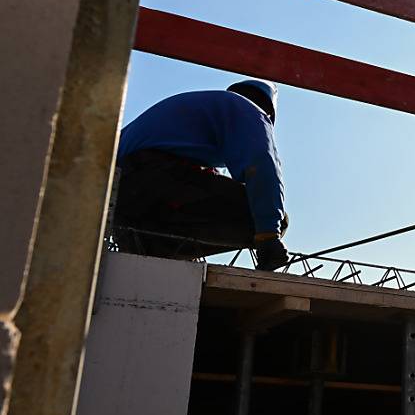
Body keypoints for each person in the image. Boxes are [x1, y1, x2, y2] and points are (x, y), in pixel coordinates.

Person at [112, 79, 289, 271]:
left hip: (118, 194)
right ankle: (159, 247)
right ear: (269, 113)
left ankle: (147, 242)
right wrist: (269, 235)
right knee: (273, 220)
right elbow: (261, 165)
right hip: (156, 178)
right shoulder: (250, 112)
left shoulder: (200, 112)